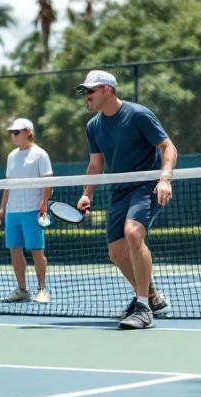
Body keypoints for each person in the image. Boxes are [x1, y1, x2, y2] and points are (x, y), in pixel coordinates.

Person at [74, 70, 178, 330]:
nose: (87, 97)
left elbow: (168, 147)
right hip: (119, 191)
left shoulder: (138, 115)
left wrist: (165, 179)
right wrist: (87, 193)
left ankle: (142, 307)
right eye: (85, 93)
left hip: (146, 186)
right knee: (116, 253)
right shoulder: (93, 127)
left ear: (107, 90)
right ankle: (152, 298)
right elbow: (95, 165)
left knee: (133, 233)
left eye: (91, 91)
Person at [0, 118, 53, 304]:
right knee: (14, 251)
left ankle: (42, 290)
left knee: (36, 250)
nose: (13, 136)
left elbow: (47, 182)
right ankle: (22, 290)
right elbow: (8, 184)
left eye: (17, 132)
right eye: (12, 133)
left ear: (28, 132)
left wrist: (43, 203)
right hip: (13, 212)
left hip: (32, 211)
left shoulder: (40, 154)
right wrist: (3, 208)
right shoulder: (11, 156)